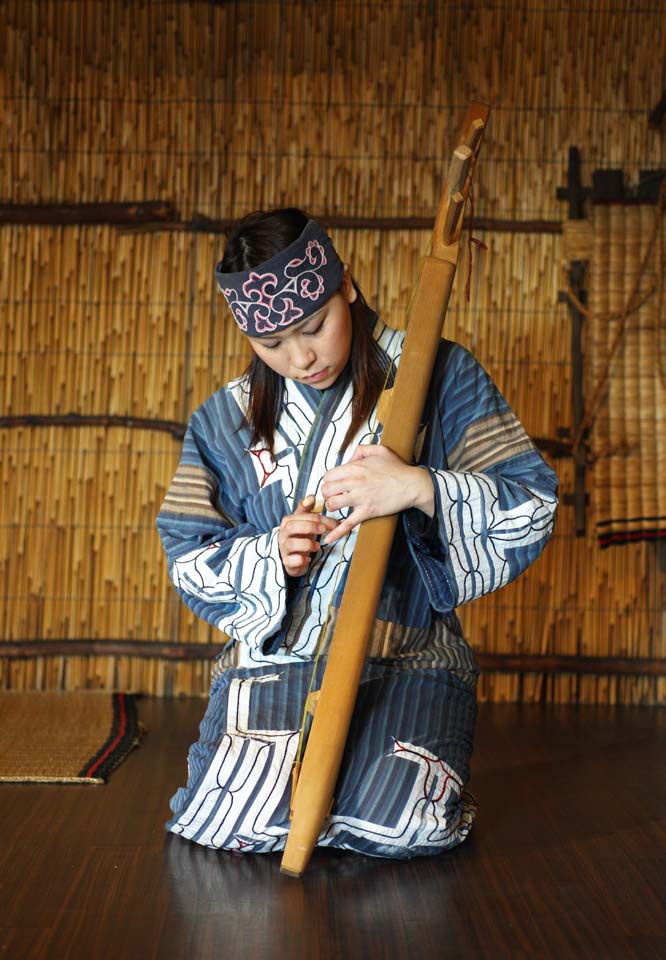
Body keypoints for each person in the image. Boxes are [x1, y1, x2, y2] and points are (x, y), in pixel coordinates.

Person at [156, 208, 558, 858]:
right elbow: (186, 546)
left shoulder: (438, 374)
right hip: (279, 664)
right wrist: (269, 556)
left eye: (314, 327)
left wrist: (420, 487)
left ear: (346, 283)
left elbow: (531, 499)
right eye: (272, 344)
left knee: (397, 825)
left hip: (407, 660)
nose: (301, 356)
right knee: (233, 824)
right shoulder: (225, 419)